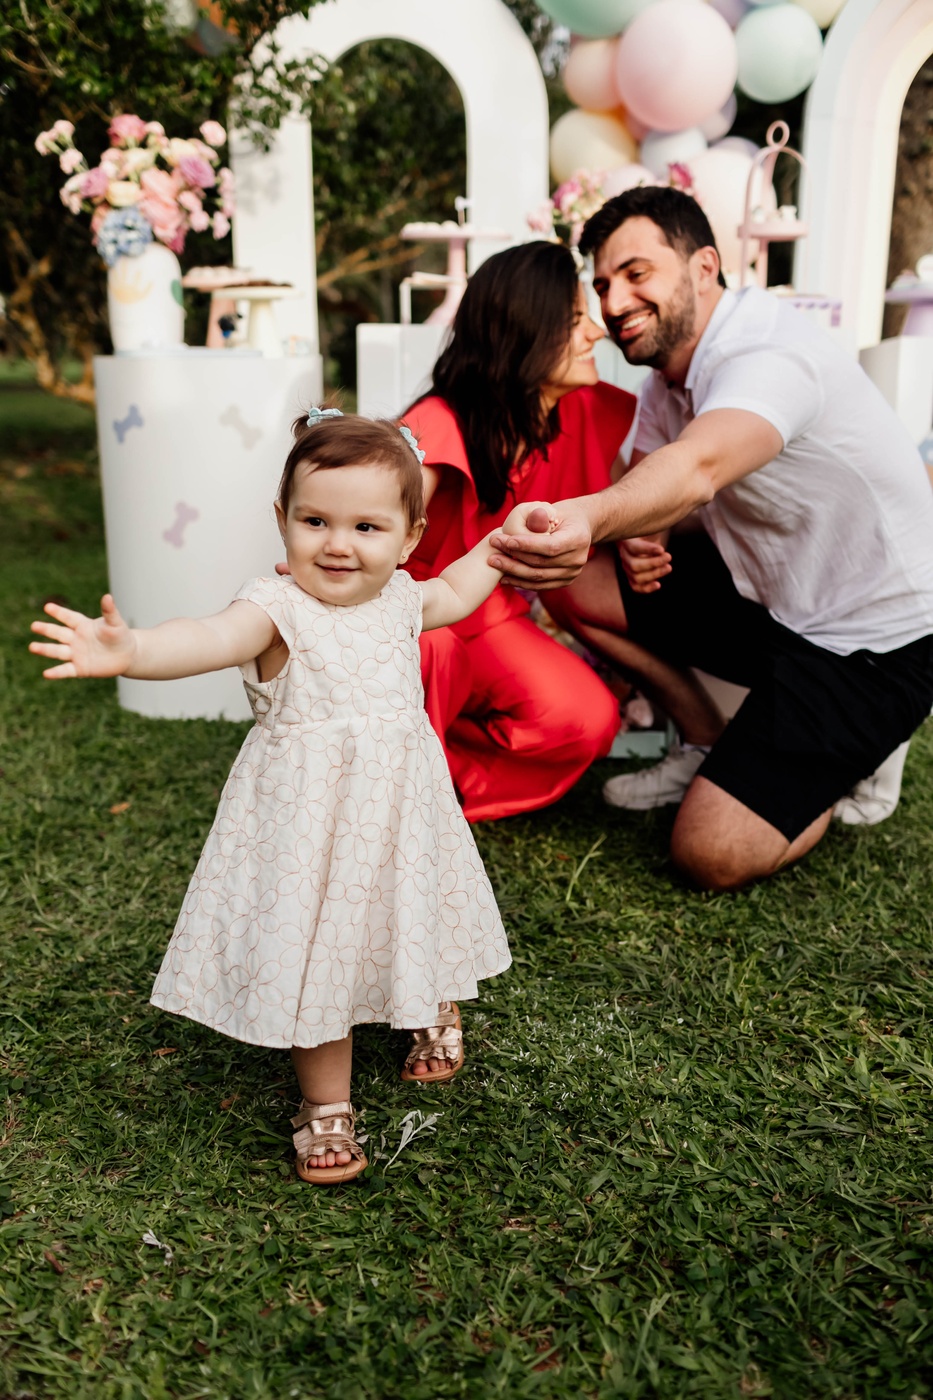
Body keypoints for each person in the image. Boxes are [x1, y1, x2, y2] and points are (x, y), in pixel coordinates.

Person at [29, 409, 545, 1186]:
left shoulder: (401, 598)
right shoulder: (275, 609)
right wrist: (135, 649)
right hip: (311, 829)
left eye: (366, 527)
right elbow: (209, 637)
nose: (337, 544)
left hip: (400, 813)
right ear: (283, 520)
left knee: (412, 904)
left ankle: (431, 1001)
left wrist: (499, 544)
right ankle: (325, 1104)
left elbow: (455, 590)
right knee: (321, 953)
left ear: (408, 537)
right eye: (315, 521)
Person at [489, 186, 933, 891]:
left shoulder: (768, 355)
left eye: (636, 273)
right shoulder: (668, 377)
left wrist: (592, 517)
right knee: (579, 581)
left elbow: (695, 467)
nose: (613, 302)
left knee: (708, 852)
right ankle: (704, 741)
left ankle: (845, 762)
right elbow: (647, 480)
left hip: (873, 646)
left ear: (703, 267)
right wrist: (640, 537)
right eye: (601, 285)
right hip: (772, 604)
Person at [402, 240, 636, 822]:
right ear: (525, 330)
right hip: (415, 619)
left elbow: (635, 490)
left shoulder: (576, 411)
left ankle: (448, 783)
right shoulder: (435, 423)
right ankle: (397, 795)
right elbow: (367, 524)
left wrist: (644, 535)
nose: (597, 332)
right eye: (576, 318)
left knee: (588, 719)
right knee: (432, 649)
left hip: (490, 618)